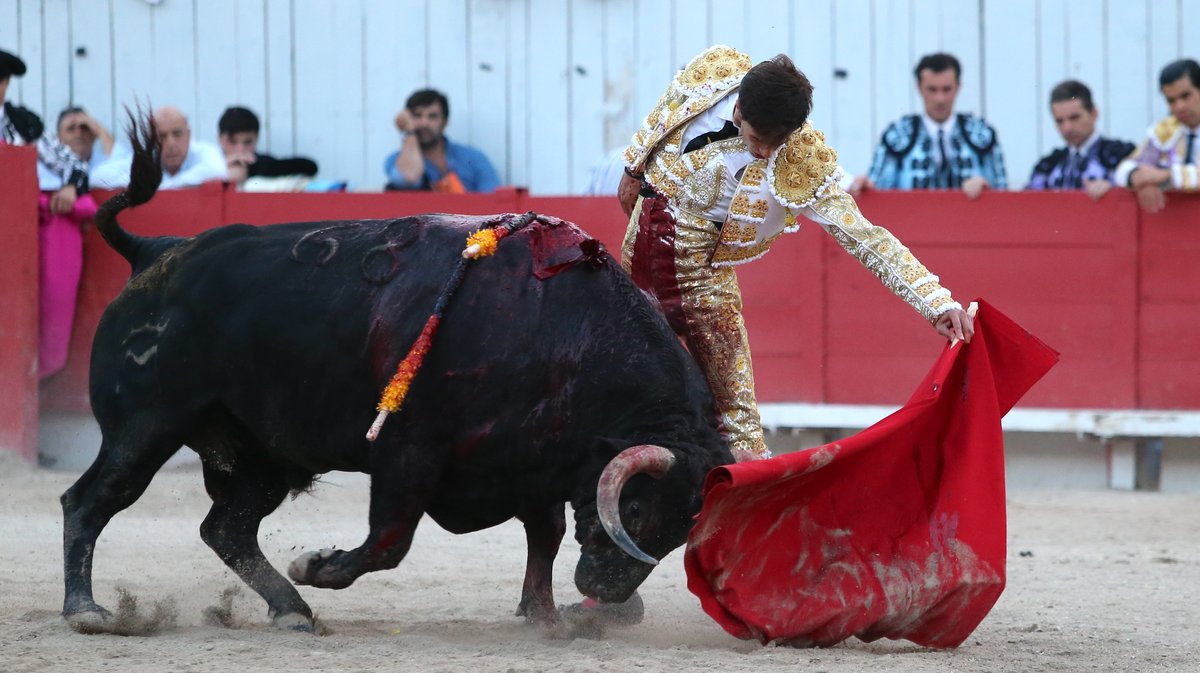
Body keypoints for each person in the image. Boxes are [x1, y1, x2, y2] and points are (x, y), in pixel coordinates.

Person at [618, 45, 973, 464]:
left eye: (777, 143)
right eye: (757, 141)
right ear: (738, 111)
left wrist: (934, 301)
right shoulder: (716, 70)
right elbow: (668, 109)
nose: (767, 153)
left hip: (701, 282)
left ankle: (741, 517)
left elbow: (864, 236)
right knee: (619, 381)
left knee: (738, 421)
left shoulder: (799, 159)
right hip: (635, 254)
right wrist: (633, 166)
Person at [0, 48, 97, 379]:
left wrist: (71, 186)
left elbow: (74, 165)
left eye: (0, 79)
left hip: (24, 231)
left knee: (46, 301)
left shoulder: (23, 124)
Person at [850, 53, 1006, 199]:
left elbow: (1002, 194)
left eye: (947, 89)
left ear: (958, 87)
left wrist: (986, 189)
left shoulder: (983, 135)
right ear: (919, 88)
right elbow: (877, 191)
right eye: (932, 89)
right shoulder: (896, 136)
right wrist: (866, 187)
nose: (940, 98)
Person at [1114, 58, 1200, 213]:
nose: (1179, 107)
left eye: (1186, 96)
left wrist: (1166, 176)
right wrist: (1140, 179)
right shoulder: (1167, 130)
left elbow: (1161, 175)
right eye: (1171, 100)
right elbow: (1124, 169)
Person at [1028, 80, 1135, 199]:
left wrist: (1116, 188)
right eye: (1059, 121)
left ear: (1094, 113)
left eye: (1074, 118)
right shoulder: (1047, 166)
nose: (1067, 128)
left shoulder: (1124, 156)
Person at [384, 88, 500, 193]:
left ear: (445, 122)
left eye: (432, 116)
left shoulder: (473, 158)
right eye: (417, 116)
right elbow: (408, 178)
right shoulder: (395, 160)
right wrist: (409, 132)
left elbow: (494, 201)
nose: (424, 123)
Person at [92, 105, 227, 189]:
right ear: (151, 140)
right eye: (162, 136)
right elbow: (97, 177)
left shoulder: (202, 151)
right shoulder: (145, 160)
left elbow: (219, 170)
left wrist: (158, 187)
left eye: (177, 134)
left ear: (188, 134)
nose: (171, 143)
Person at [217, 105, 318, 187]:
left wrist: (251, 168)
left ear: (256, 138)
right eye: (233, 142)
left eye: (247, 142)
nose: (240, 149)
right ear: (220, 139)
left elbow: (310, 166)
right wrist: (224, 170)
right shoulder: (207, 164)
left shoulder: (261, 162)